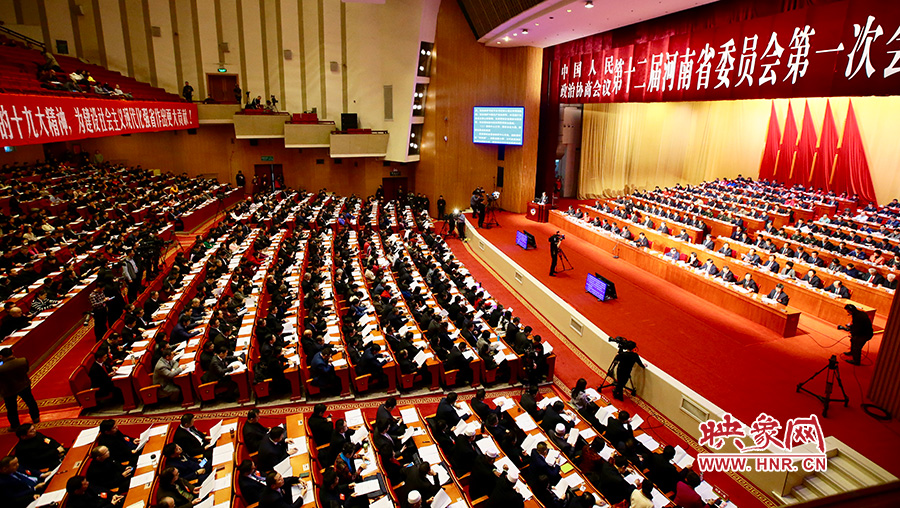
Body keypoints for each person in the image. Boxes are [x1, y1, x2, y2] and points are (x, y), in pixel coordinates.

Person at [0, 349, 40, 430]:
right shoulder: (23, 361)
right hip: (24, 385)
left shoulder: (1, 369)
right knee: (30, 402)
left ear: (1, 356)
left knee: (11, 408)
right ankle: (36, 417)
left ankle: (15, 425)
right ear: (12, 352)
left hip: (9, 390)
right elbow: (26, 370)